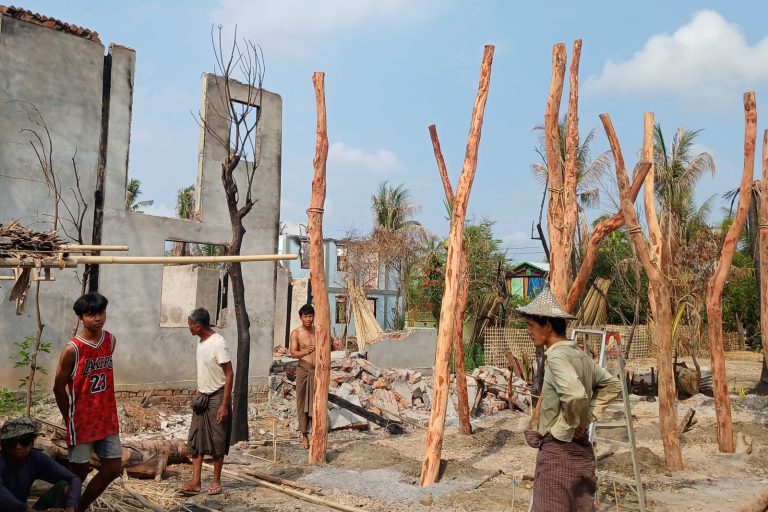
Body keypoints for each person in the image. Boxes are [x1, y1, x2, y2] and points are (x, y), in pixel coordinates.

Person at [517, 286, 622, 512]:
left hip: (558, 457)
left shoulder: (556, 356)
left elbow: (575, 394)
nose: (528, 331)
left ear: (547, 325)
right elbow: (612, 385)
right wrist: (585, 418)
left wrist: (567, 426)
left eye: (530, 325)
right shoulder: (580, 356)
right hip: (582, 456)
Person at [53, 292, 122, 512]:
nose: (97, 318)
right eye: (91, 314)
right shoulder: (72, 349)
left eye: (101, 313)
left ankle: (79, 508)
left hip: (107, 417)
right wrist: (69, 418)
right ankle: (62, 507)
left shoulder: (110, 340)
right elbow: (58, 387)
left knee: (113, 469)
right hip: (82, 420)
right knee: (77, 474)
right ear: (81, 318)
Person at [181, 307, 233, 497]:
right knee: (196, 439)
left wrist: (224, 404)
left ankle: (216, 481)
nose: (188, 329)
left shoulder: (218, 343)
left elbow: (229, 373)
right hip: (202, 397)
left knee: (217, 440)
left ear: (197, 326)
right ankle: (196, 482)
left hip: (217, 396)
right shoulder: (200, 341)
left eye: (190, 325)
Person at [0, 418, 81, 512]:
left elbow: (74, 479)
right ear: (5, 444)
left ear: (32, 441)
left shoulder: (36, 458)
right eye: (12, 443)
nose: (18, 447)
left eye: (24, 441)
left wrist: (70, 506)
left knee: (64, 486)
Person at [288, 304, 316, 449]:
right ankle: (304, 436)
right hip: (303, 371)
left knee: (317, 403)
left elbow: (329, 346)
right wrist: (306, 352)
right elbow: (293, 353)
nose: (308, 319)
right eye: (305, 316)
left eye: (310, 316)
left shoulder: (318, 331)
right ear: (301, 317)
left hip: (317, 372)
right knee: (301, 404)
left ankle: (316, 435)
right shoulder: (296, 333)